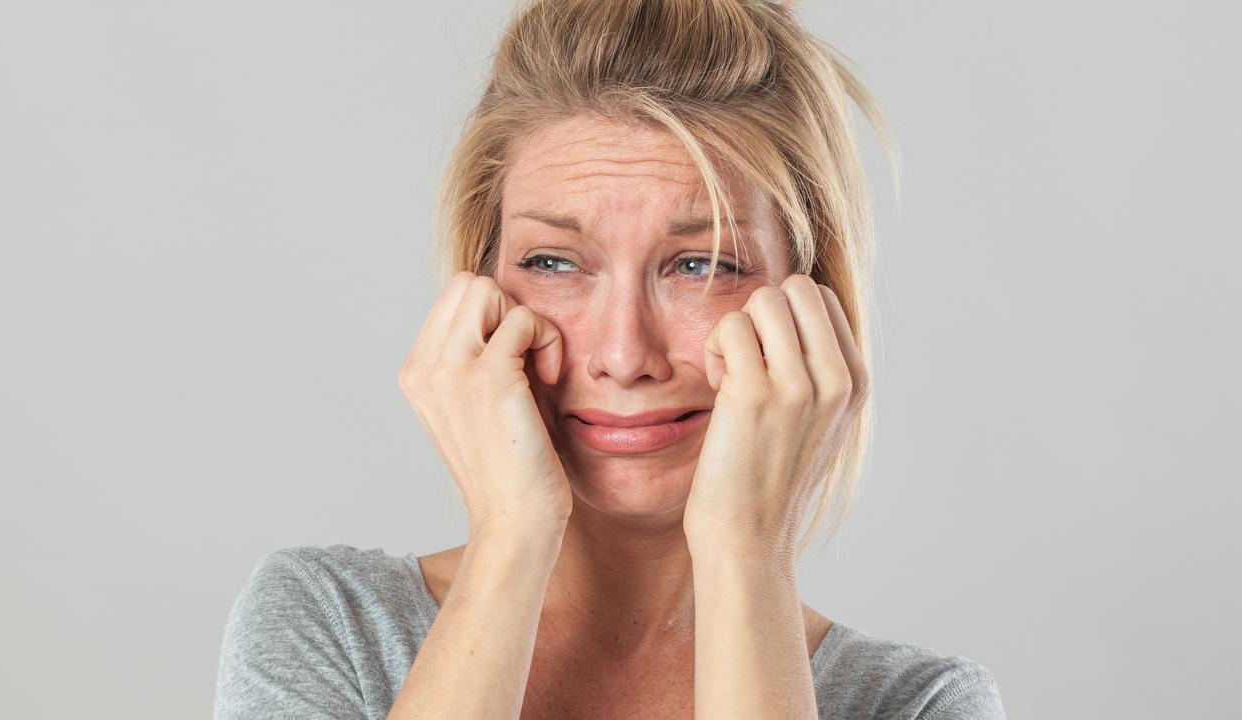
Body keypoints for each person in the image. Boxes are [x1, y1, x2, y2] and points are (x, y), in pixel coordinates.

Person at [213, 1, 1006, 718]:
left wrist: (746, 551)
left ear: (809, 304)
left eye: (703, 264)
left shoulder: (918, 704)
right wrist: (514, 537)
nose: (625, 357)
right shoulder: (326, 624)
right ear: (481, 289)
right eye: (555, 262)